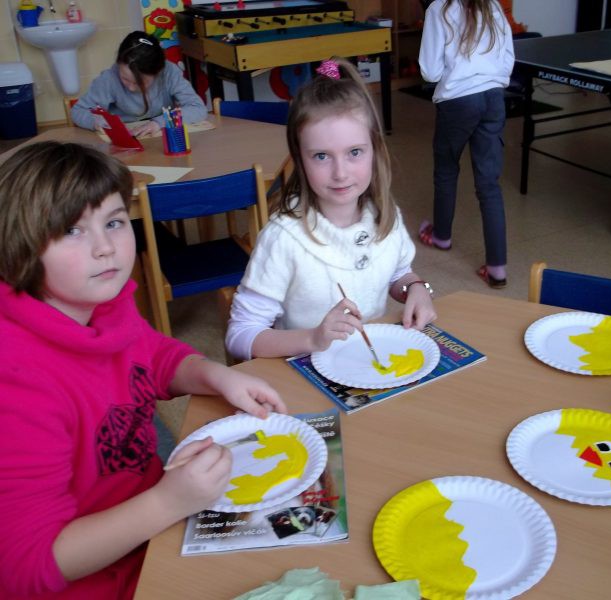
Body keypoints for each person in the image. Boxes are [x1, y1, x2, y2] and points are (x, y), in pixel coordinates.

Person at [0, 141, 287, 599]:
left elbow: (152, 356)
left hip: (153, 520)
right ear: (19, 246)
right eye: (72, 230)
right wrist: (168, 502)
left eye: (114, 222)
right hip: (98, 576)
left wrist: (214, 374)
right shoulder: (16, 383)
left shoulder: (101, 300)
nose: (105, 248)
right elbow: (27, 568)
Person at [226, 58, 437, 361]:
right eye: (322, 156)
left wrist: (415, 287)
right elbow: (240, 335)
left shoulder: (386, 217)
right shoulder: (283, 238)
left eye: (354, 152)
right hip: (300, 371)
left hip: (366, 366)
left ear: (375, 150)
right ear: (300, 160)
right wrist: (313, 338)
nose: (340, 173)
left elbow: (397, 273)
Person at [418, 0, 515, 288]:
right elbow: (508, 59)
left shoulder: (439, 9)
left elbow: (430, 72)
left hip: (458, 101)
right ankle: (497, 268)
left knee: (447, 169)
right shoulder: (492, 5)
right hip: (494, 98)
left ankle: (441, 236)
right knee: (489, 184)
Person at [70, 31, 207, 137]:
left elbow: (197, 108)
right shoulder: (109, 78)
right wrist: (96, 121)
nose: (130, 87)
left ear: (157, 72)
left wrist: (159, 123)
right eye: (125, 79)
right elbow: (78, 111)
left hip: (162, 136)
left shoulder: (169, 72)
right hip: (126, 140)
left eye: (139, 83)